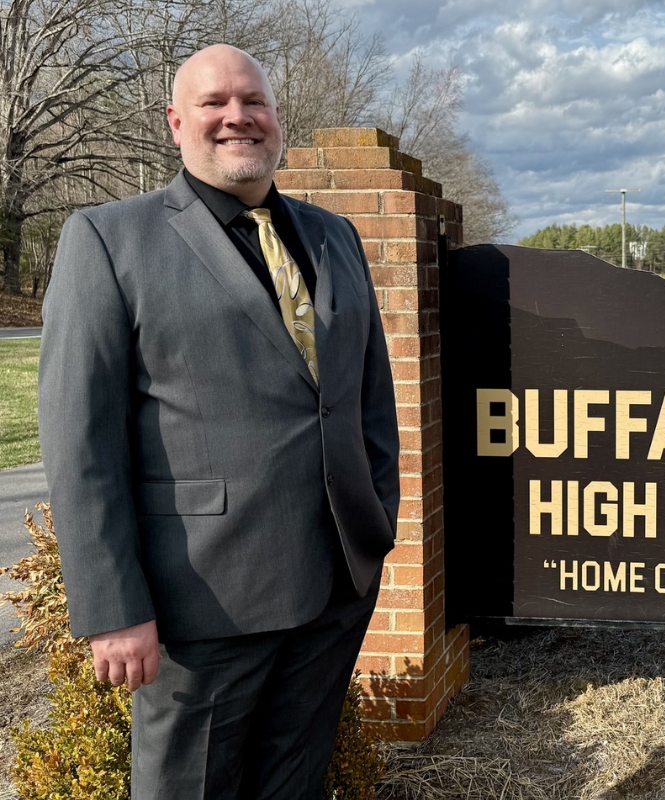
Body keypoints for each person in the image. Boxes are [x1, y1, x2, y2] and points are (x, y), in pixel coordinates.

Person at [38, 44, 399, 798]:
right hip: (201, 603)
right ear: (177, 122)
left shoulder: (333, 236)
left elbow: (366, 396)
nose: (238, 116)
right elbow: (80, 440)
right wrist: (113, 608)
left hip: (334, 590)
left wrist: (378, 518)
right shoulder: (109, 240)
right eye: (214, 103)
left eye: (253, 101)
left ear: (277, 118)